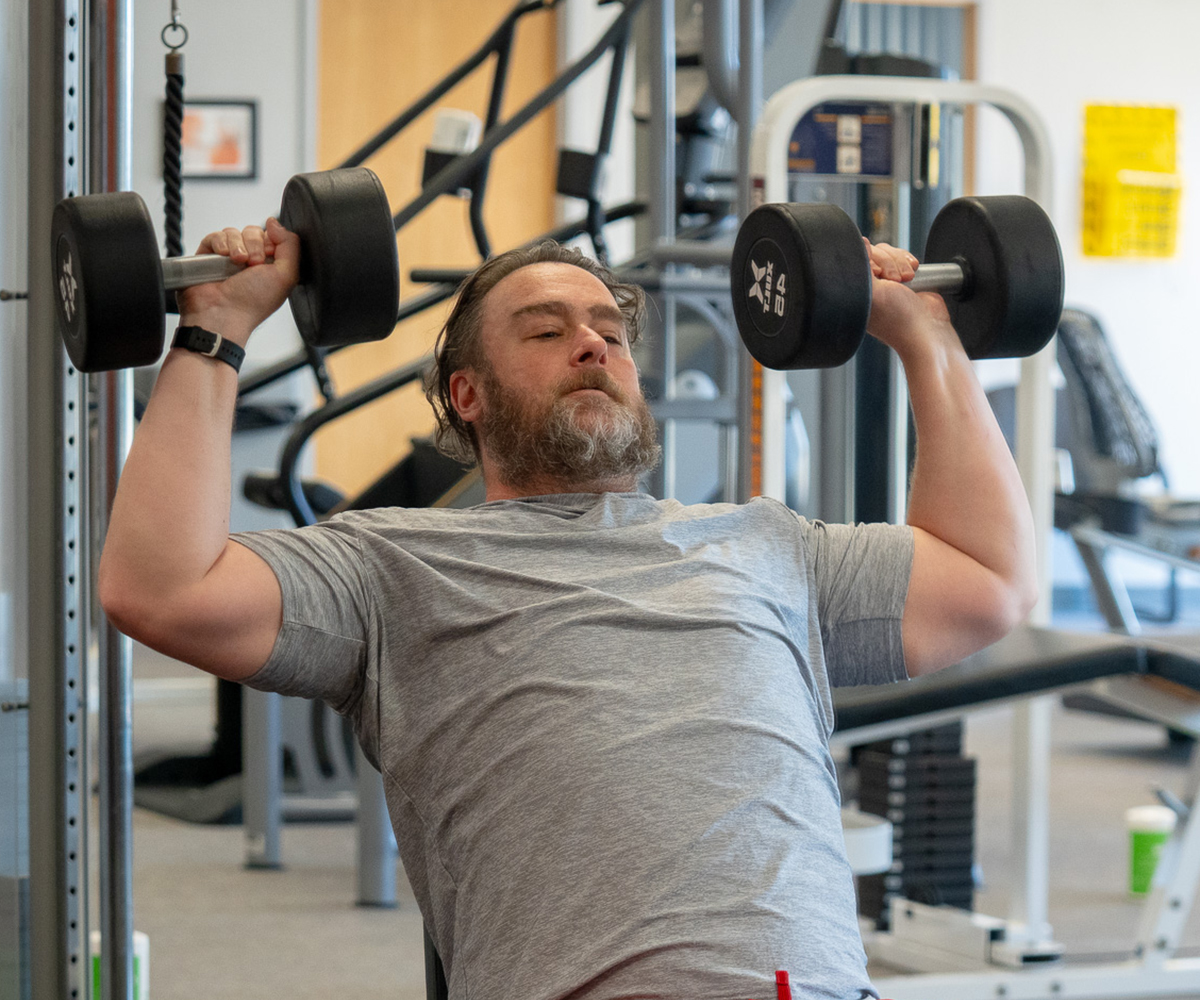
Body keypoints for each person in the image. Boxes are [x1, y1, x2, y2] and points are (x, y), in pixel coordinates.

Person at [100, 217, 1038, 1000]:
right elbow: (161, 588)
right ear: (465, 395)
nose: (592, 343)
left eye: (610, 333)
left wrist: (926, 338)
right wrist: (215, 330)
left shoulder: (766, 544)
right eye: (546, 332)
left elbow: (987, 579)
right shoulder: (390, 564)